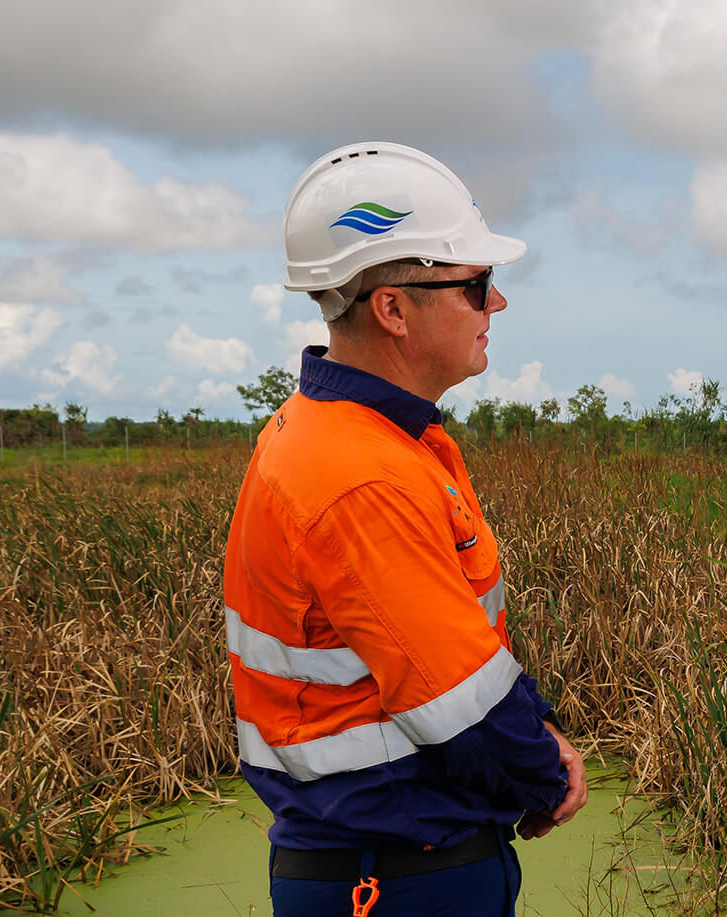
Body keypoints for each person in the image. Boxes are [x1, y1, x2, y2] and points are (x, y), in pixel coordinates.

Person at [223, 141, 587, 916]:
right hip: (393, 877)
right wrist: (548, 774)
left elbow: (458, 648)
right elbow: (460, 703)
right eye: (476, 285)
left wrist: (539, 728)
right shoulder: (360, 474)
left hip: (391, 858)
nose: (497, 304)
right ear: (392, 309)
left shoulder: (368, 437)